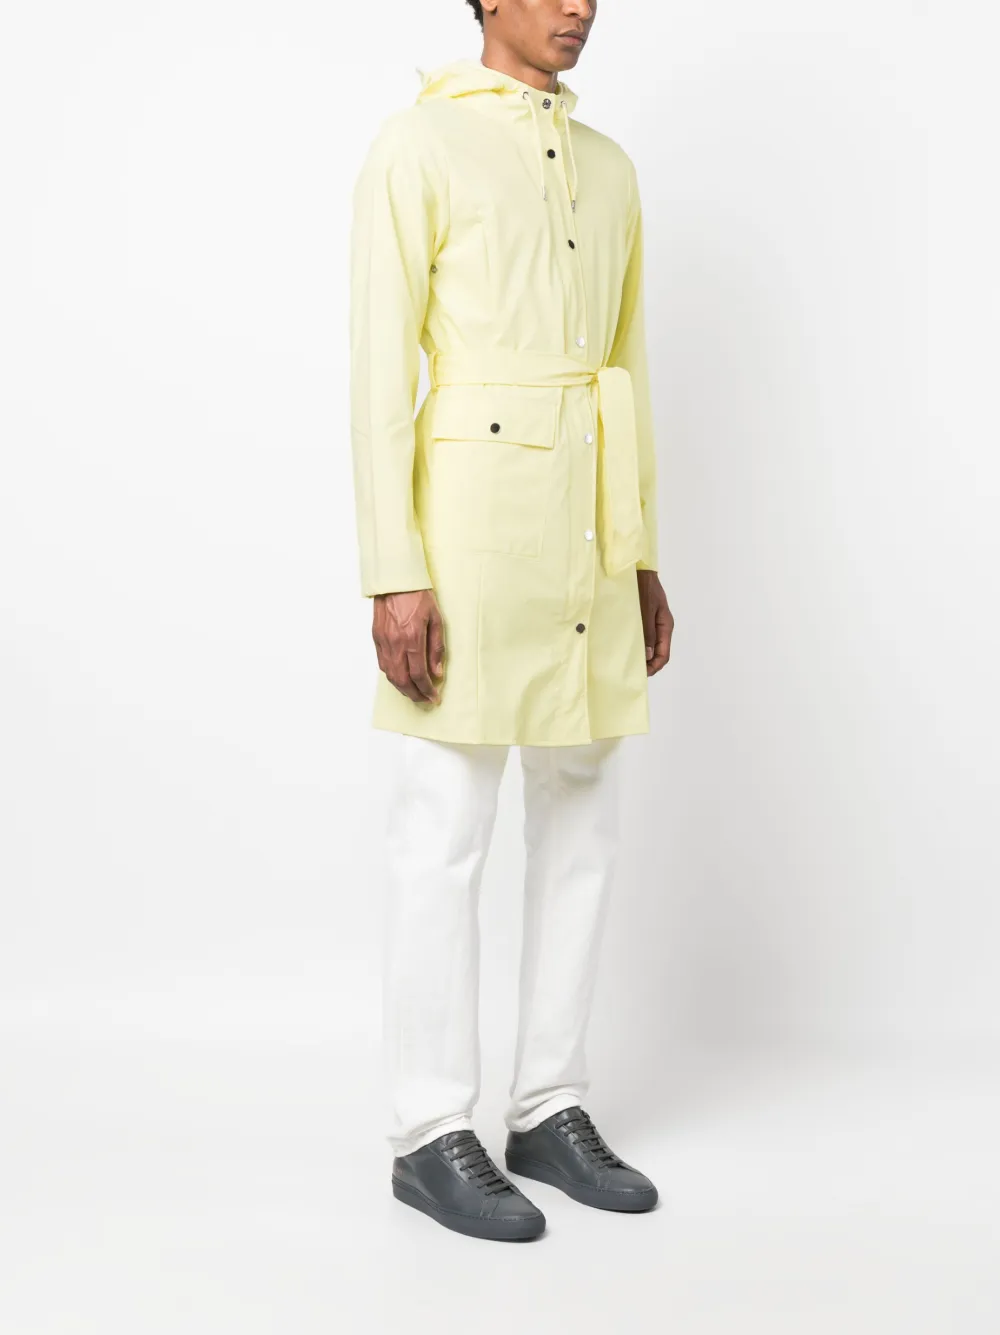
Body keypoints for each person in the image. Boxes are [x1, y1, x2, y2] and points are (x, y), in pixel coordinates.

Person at [349, 0, 674, 1241]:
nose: (579, 7)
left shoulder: (611, 168)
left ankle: (548, 1105)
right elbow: (379, 374)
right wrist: (393, 572)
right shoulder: (417, 145)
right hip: (472, 528)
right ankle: (429, 1129)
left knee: (582, 809)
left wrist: (641, 554)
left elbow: (627, 369)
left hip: (589, 530)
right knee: (445, 819)